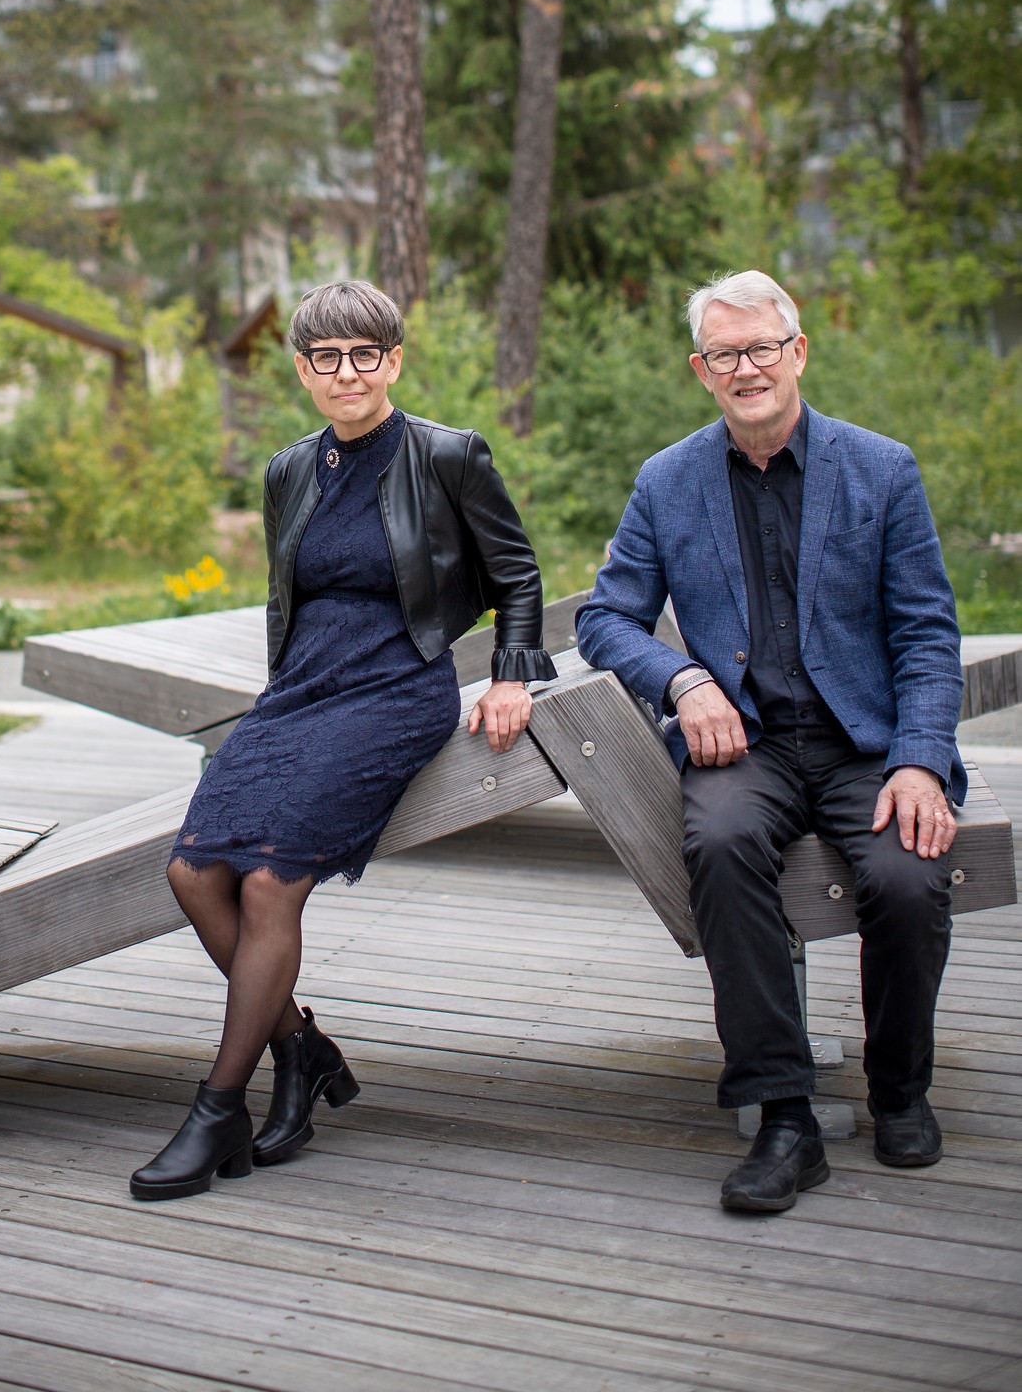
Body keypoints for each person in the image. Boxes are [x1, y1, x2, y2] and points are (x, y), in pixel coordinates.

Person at [130, 279, 557, 1201]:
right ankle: (305, 1050)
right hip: (300, 694)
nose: (347, 373)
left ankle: (217, 1109)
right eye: (326, 358)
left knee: (270, 877)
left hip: (394, 691)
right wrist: (282, 690)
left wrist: (513, 675)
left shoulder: (448, 456)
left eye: (366, 354)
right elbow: (293, 596)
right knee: (193, 870)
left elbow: (517, 575)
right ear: (302, 371)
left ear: (393, 361)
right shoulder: (290, 471)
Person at [575, 269, 963, 1215]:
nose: (744, 368)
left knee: (909, 877)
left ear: (796, 353)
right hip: (741, 746)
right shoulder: (667, 481)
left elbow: (926, 632)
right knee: (715, 843)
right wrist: (684, 678)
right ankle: (783, 1113)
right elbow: (603, 619)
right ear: (700, 371)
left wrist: (917, 757)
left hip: (864, 744)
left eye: (760, 348)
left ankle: (897, 1086)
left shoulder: (881, 468)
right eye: (723, 354)